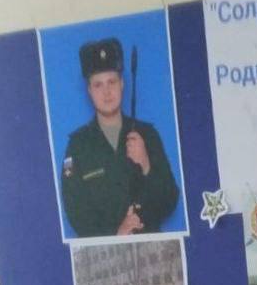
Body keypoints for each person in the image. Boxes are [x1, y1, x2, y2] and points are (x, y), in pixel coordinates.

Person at [61, 38, 179, 238]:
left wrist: (146, 165)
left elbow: (170, 200)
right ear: (89, 91)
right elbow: (75, 210)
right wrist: (116, 233)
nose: (106, 92)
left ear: (122, 84)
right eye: (98, 85)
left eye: (112, 82)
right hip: (104, 254)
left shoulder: (147, 135)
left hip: (151, 250)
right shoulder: (77, 146)